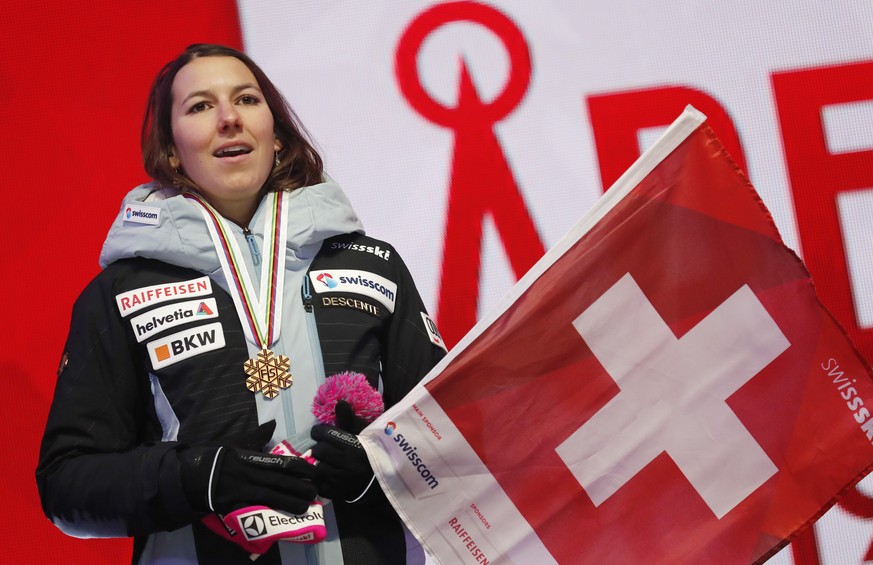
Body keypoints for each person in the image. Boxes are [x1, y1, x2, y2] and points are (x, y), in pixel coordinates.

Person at [36, 43, 446, 565]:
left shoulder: (373, 266)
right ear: (170, 151)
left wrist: (380, 474)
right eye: (200, 106)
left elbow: (453, 440)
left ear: (276, 135)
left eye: (247, 99)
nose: (228, 118)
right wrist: (198, 477)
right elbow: (67, 484)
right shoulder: (120, 293)